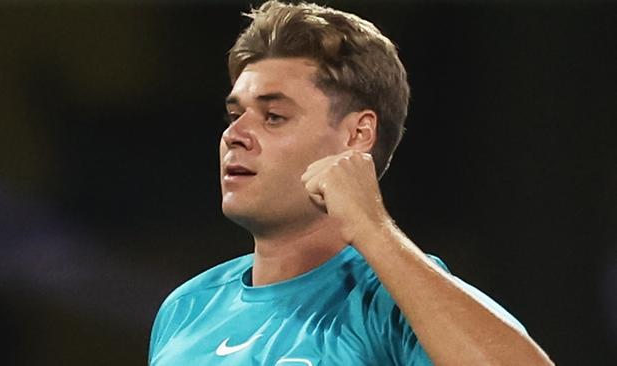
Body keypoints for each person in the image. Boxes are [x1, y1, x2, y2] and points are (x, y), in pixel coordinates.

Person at [149, 1, 554, 365]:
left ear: (357, 135)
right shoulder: (185, 309)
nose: (235, 134)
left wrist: (372, 229)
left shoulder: (393, 301)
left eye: (274, 116)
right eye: (235, 115)